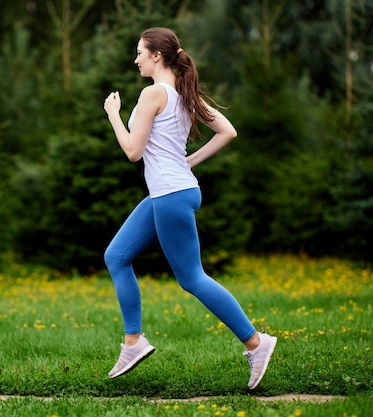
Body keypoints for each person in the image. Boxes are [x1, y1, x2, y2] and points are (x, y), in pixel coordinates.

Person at [102, 27, 277, 389]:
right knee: (116, 255)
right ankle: (134, 342)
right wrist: (188, 163)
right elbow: (228, 131)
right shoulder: (184, 93)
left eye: (139, 52)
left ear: (155, 56)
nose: (135, 59)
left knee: (192, 278)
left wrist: (114, 115)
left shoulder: (153, 94)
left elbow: (133, 152)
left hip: (170, 194)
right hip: (171, 191)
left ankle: (256, 343)